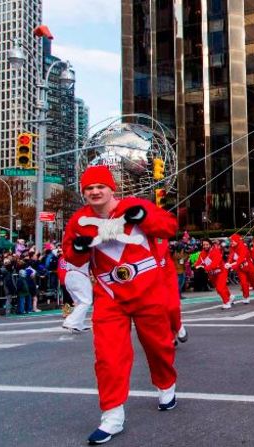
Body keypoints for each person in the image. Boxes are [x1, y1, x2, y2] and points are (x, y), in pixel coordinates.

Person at [62, 165, 179, 444]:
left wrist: (145, 217)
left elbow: (170, 227)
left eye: (100, 186)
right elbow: (71, 258)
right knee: (108, 357)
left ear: (111, 188)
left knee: (158, 345)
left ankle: (166, 384)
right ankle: (112, 415)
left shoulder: (135, 205)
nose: (95, 191)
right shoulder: (78, 221)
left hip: (148, 291)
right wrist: (78, 250)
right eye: (89, 188)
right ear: (84, 193)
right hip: (109, 296)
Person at [225, 233, 254, 304]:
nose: (231, 242)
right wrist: (228, 262)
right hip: (240, 269)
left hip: (249, 268)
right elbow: (231, 256)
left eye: (232, 241)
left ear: (236, 240)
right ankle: (246, 297)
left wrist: (231, 266)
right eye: (231, 241)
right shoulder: (232, 248)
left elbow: (241, 259)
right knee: (243, 283)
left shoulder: (243, 247)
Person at [195, 239, 233, 309]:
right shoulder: (202, 253)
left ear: (210, 245)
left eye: (207, 245)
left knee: (220, 288)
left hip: (221, 272)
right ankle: (230, 297)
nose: (205, 246)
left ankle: (226, 302)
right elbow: (198, 262)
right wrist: (196, 267)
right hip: (212, 274)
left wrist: (204, 268)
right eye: (204, 245)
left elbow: (215, 264)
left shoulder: (215, 251)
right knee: (221, 288)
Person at [59, 256, 93, 332]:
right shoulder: (86, 250)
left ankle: (78, 324)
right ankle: (70, 322)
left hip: (69, 275)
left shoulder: (70, 251)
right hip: (79, 275)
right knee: (86, 301)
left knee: (79, 302)